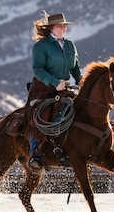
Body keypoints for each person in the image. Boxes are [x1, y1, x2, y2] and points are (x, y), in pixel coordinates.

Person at [26, 11, 82, 170]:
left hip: (64, 87)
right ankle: (35, 153)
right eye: (60, 26)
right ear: (51, 28)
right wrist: (54, 82)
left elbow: (76, 67)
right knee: (40, 115)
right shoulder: (41, 46)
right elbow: (38, 69)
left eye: (64, 26)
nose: (63, 28)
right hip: (43, 87)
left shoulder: (70, 45)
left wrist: (80, 81)